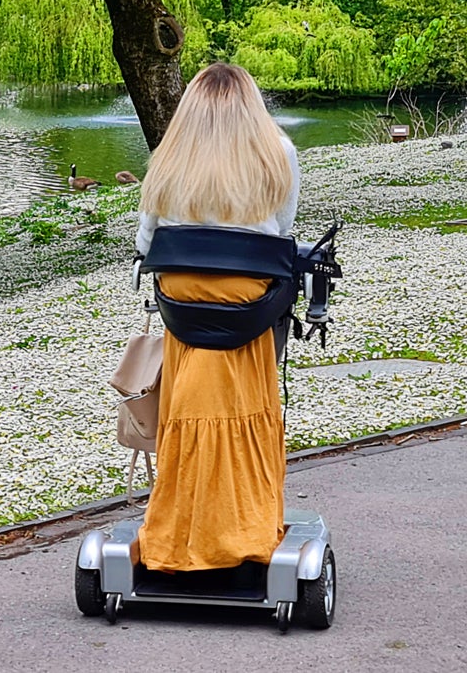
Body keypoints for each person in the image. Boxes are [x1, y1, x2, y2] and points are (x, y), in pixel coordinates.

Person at [133, 62, 300, 572]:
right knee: (247, 405)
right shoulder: (279, 152)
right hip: (248, 305)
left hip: (184, 304)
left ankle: (182, 523)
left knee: (186, 411)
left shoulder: (169, 158)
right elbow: (282, 234)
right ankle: (243, 523)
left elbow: (146, 243)